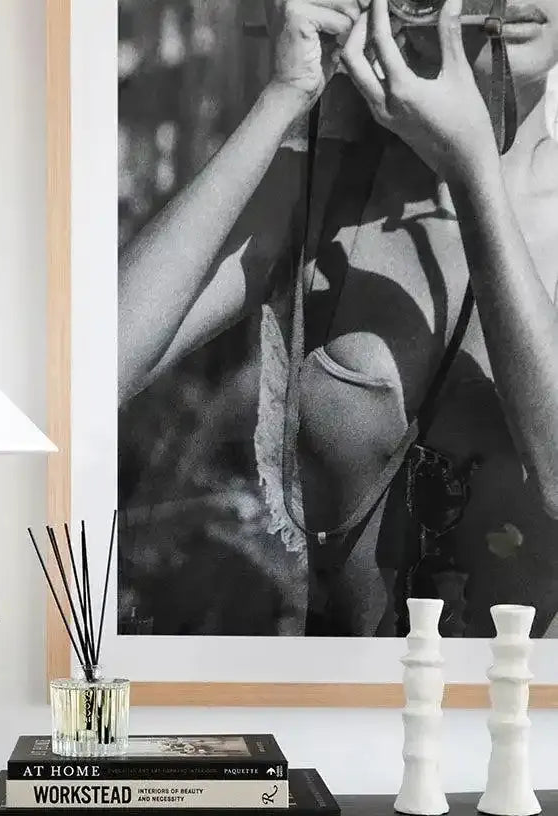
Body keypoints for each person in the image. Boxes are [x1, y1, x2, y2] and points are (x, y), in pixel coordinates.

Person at [118, 0, 558, 636]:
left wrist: (473, 177)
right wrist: (286, 93)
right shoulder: (325, 193)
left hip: (530, 697)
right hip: (340, 688)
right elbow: (100, 366)